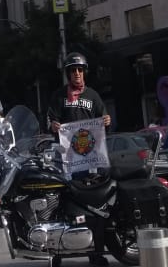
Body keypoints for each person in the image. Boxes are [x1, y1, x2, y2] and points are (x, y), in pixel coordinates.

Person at [46, 52, 111, 267]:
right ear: (67, 74)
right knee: (61, 204)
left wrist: (107, 120)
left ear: (84, 72)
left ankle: (96, 252)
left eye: (80, 70)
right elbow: (48, 119)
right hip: (66, 161)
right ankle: (56, 252)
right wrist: (53, 125)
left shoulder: (93, 96)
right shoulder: (58, 96)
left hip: (91, 161)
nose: (77, 73)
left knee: (95, 206)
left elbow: (103, 120)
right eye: (73, 70)